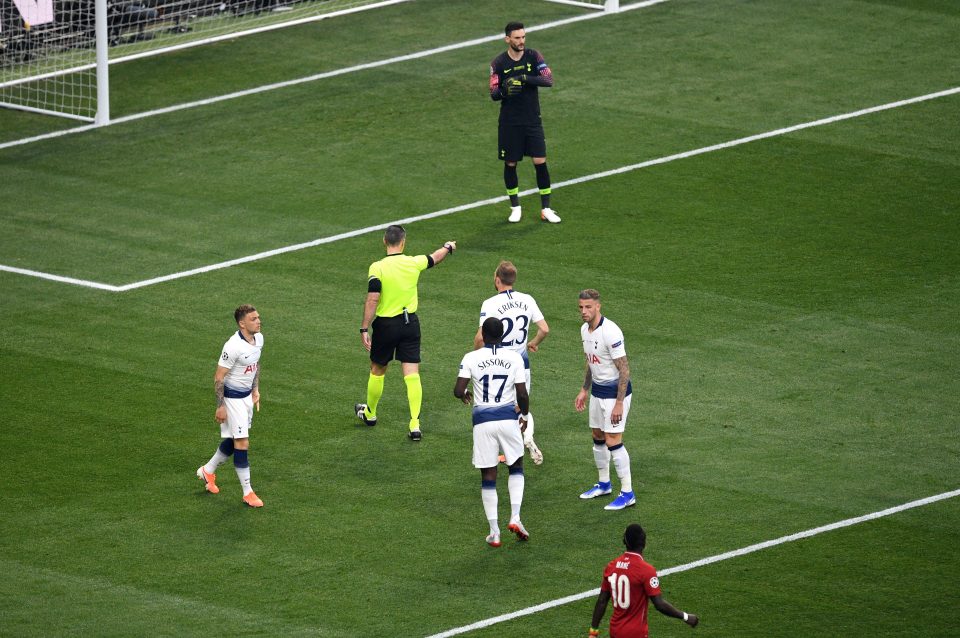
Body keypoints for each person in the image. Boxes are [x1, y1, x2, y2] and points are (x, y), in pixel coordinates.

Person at [355, 225, 457, 441]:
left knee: (378, 369)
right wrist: (447, 247)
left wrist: (364, 327)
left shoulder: (377, 267)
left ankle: (370, 414)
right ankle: (414, 424)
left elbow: (373, 298)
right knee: (412, 374)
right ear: (403, 242)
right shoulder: (413, 262)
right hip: (410, 324)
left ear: (385, 241)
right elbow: (434, 258)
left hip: (385, 326)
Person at [455, 318, 531, 547]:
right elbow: (522, 394)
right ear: (503, 335)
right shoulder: (514, 358)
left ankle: (494, 531)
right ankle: (515, 517)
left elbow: (458, 390)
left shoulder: (471, 357)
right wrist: (524, 416)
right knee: (516, 466)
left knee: (488, 475)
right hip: (508, 419)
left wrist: (466, 394)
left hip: (482, 421)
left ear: (483, 336)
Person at [474, 260, 550, 464]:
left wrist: (475, 355)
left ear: (497, 280)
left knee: (501, 408)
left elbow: (481, 337)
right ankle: (526, 438)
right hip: (521, 362)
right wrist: (532, 343)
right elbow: (544, 329)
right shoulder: (527, 299)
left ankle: (511, 448)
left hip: (498, 363)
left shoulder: (490, 303)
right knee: (520, 405)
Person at [489, 21, 562, 224]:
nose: (521, 41)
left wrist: (523, 78)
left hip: (532, 120)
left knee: (540, 161)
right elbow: (493, 93)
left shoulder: (533, 56)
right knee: (511, 163)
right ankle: (515, 207)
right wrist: (505, 90)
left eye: (523, 37)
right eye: (517, 38)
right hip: (510, 122)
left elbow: (548, 80)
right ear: (508, 39)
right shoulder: (498, 63)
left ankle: (546, 208)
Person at [196, 304, 264, 508]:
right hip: (232, 400)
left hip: (245, 399)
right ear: (242, 323)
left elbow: (255, 364)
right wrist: (221, 405)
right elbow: (219, 377)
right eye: (253, 319)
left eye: (258, 317)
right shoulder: (232, 346)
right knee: (242, 443)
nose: (259, 321)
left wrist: (255, 389)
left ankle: (207, 471)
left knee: (234, 440)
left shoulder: (259, 339)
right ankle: (248, 492)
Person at [574, 289, 635, 510]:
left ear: (598, 306)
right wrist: (584, 389)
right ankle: (604, 484)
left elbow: (624, 369)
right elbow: (592, 362)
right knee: (597, 436)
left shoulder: (611, 332)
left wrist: (619, 403)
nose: (584, 311)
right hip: (597, 392)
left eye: (588, 307)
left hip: (615, 395)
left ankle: (628, 493)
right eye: (581, 307)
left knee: (613, 439)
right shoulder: (584, 330)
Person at [590, 523, 699, 637]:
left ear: (624, 542)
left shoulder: (612, 566)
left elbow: (602, 600)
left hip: (615, 631)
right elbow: (659, 605)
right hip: (636, 633)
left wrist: (593, 632)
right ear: (644, 543)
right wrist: (686, 617)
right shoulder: (646, 570)